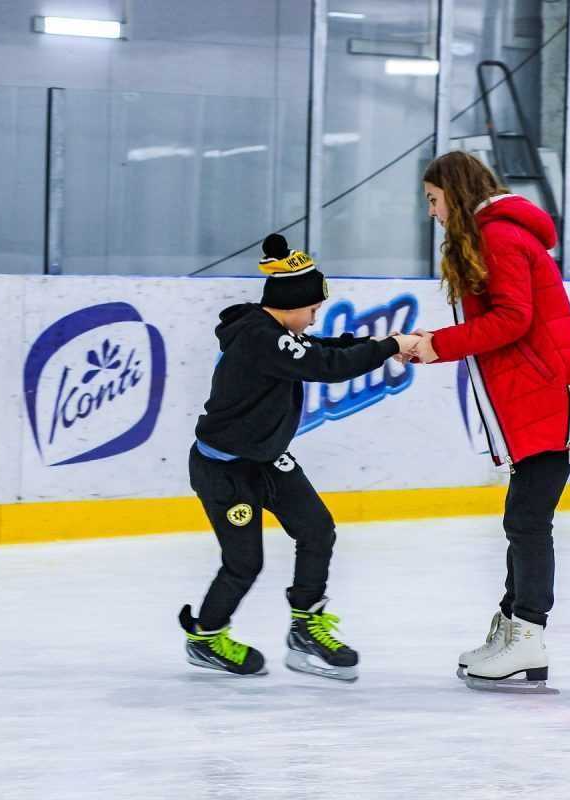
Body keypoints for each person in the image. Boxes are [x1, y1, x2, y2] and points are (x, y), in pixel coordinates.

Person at [410, 151, 570, 691]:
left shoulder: (501, 238)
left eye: (435, 201)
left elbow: (513, 319)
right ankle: (511, 628)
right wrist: (433, 345)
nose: (433, 214)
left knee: (528, 520)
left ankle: (528, 636)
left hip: (556, 391)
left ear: (455, 193)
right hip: (543, 391)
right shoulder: (492, 236)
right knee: (523, 517)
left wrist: (437, 346)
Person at [180, 233, 419, 680]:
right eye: (312, 311)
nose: (313, 319)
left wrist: (387, 342)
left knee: (317, 529)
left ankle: (306, 626)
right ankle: (206, 637)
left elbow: (321, 350)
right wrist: (389, 348)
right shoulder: (259, 338)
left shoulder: (272, 334)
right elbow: (325, 367)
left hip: (266, 459)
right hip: (223, 470)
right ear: (292, 304)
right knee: (244, 563)